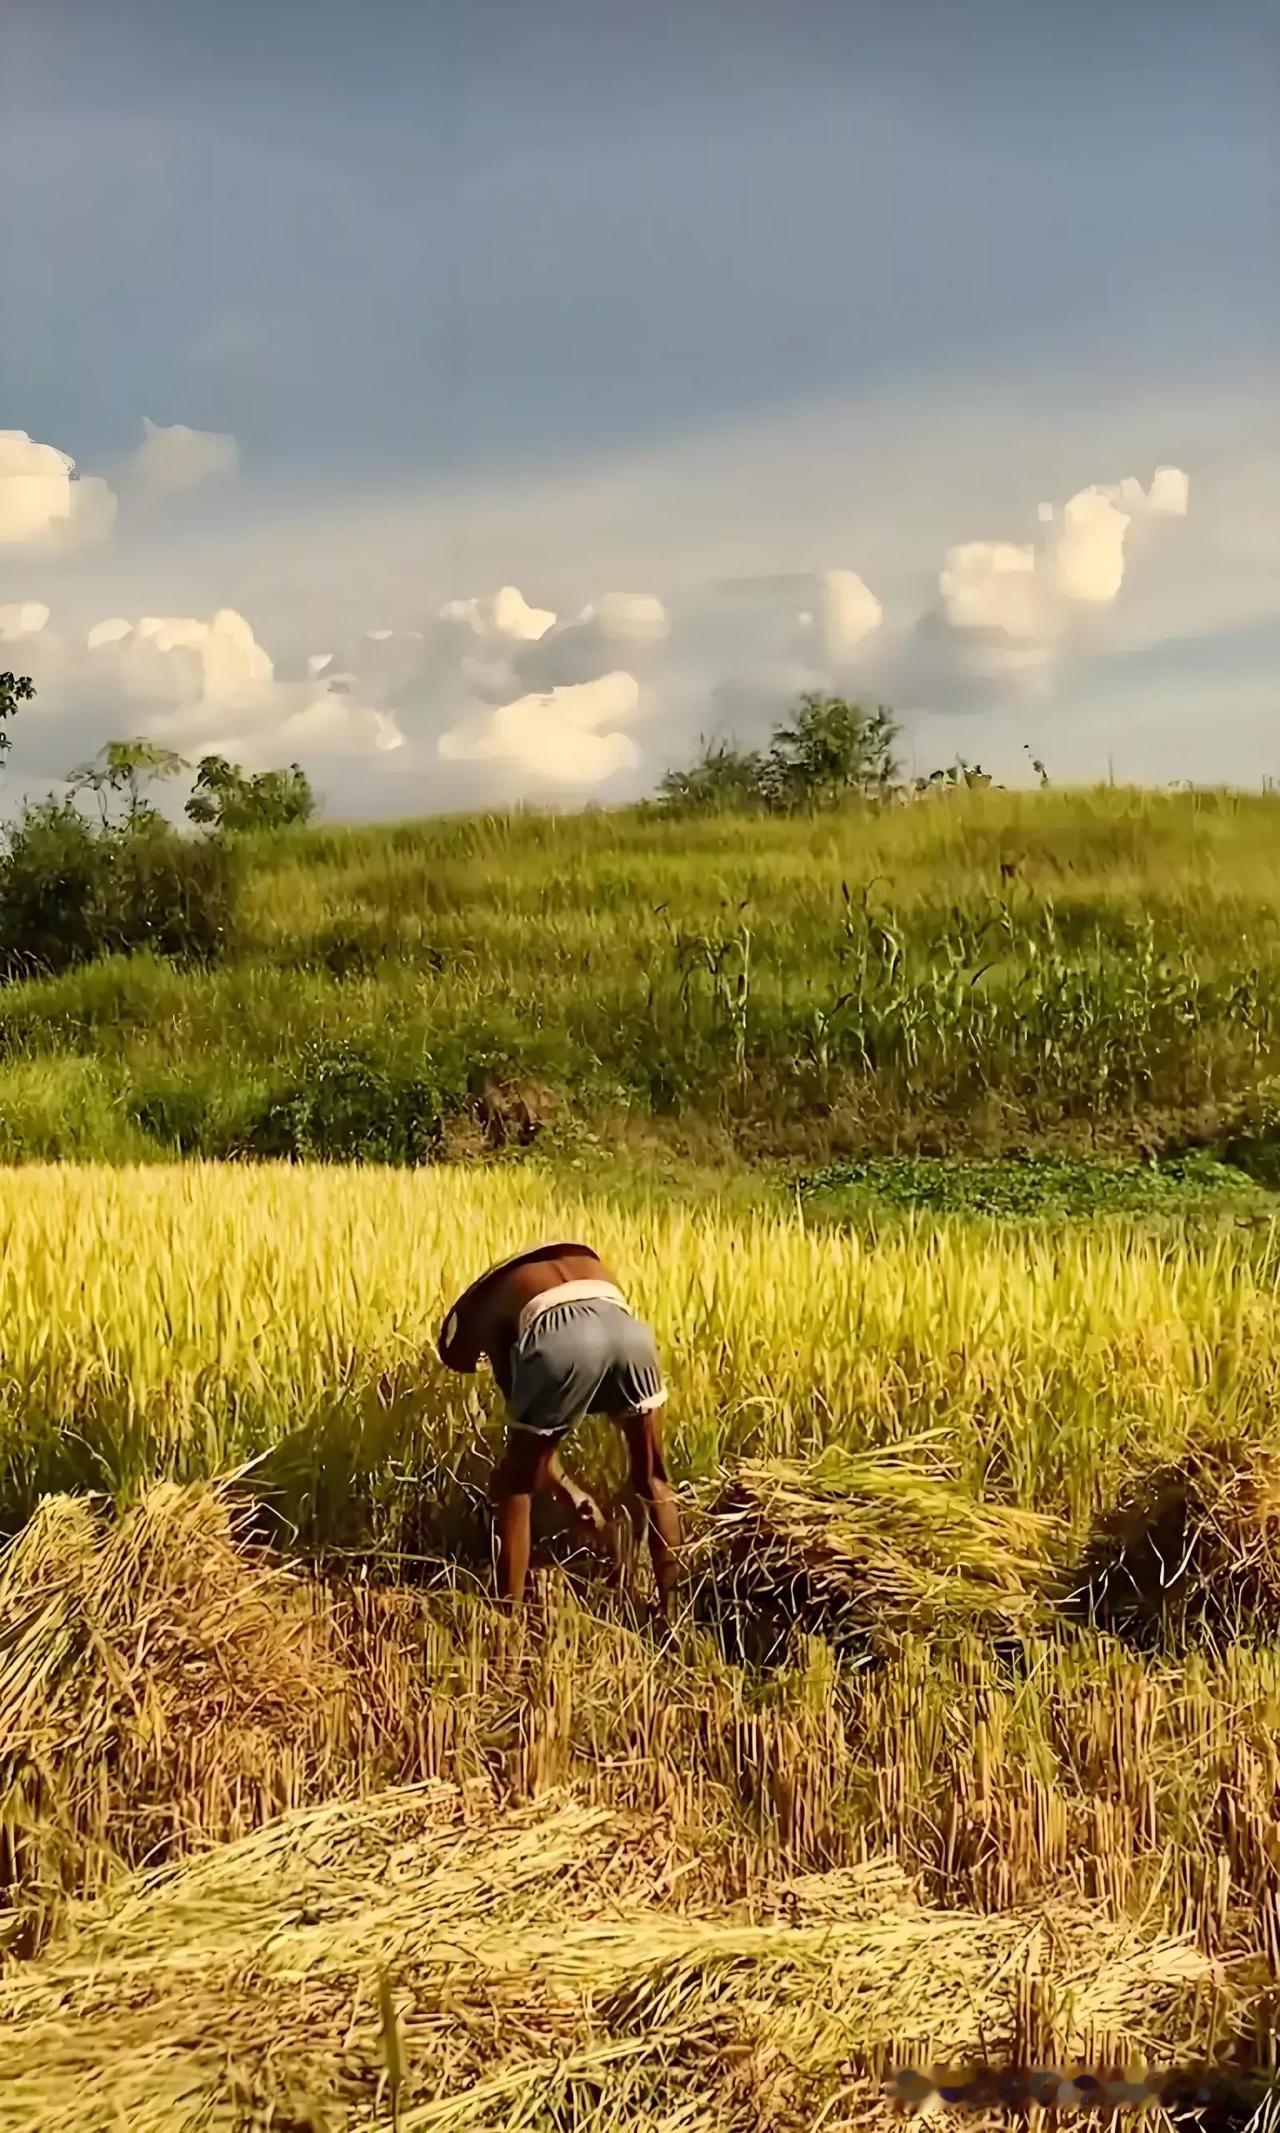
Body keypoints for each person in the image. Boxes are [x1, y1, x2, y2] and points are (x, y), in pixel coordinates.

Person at [437, 1240, 681, 1616]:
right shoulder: (574, 1266)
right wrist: (570, 1492)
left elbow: (531, 1448)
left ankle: (508, 1616)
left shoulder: (484, 1315)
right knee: (653, 1478)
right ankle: (675, 1610)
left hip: (562, 1341)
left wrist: (546, 1479)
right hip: (629, 1332)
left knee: (515, 1484)